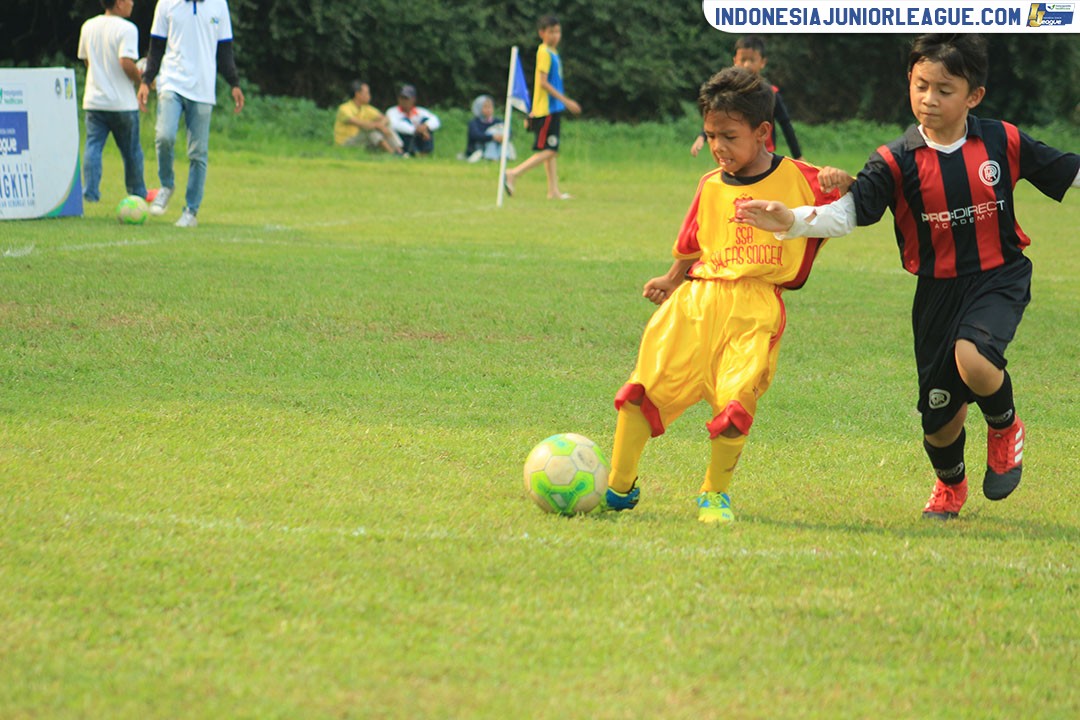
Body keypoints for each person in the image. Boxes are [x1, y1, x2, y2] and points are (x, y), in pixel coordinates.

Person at [735, 34, 1080, 520]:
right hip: (937, 292)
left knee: (975, 361)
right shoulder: (895, 159)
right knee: (940, 420)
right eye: (921, 86)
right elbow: (852, 213)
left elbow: (1067, 170)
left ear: (973, 95)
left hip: (997, 275)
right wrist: (791, 219)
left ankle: (1004, 426)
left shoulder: (1002, 139)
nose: (929, 99)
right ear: (909, 84)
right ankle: (950, 486)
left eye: (944, 89)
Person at [602, 67, 840, 523]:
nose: (718, 146)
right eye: (711, 135)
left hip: (754, 307)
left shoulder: (799, 178)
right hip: (695, 303)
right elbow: (694, 241)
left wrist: (842, 181)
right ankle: (618, 484)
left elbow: (852, 203)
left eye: (729, 136)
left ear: (763, 132)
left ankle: (714, 493)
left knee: (735, 402)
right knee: (640, 390)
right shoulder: (710, 184)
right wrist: (673, 278)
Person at [137, 0, 245, 228]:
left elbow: (224, 50)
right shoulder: (166, 3)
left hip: (203, 89)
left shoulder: (219, 5)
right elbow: (156, 47)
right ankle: (166, 185)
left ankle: (190, 212)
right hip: (172, 82)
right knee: (164, 136)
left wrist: (234, 83)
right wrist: (146, 80)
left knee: (198, 153)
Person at [503, 14, 581, 200]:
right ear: (542, 33)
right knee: (550, 150)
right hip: (547, 109)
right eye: (551, 32)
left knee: (550, 150)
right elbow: (543, 83)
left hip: (552, 109)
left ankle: (553, 191)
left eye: (558, 31)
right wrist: (566, 101)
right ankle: (514, 173)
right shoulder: (544, 52)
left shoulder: (553, 53)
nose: (555, 35)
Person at [77, 0, 147, 204]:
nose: (132, 3)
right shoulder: (127, 29)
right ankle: (137, 193)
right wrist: (142, 80)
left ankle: (90, 193)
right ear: (118, 3)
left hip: (94, 100)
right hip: (122, 103)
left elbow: (86, 59)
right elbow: (126, 62)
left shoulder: (88, 26)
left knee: (93, 146)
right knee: (131, 151)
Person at [690, 36, 802, 162]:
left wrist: (798, 156)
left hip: (763, 155)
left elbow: (785, 124)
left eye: (752, 60)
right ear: (735, 61)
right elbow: (717, 121)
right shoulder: (729, 95)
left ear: (763, 62)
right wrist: (702, 137)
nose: (747, 65)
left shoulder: (771, 94)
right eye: (743, 60)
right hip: (733, 153)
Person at [334, 80, 403, 154]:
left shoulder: (366, 108)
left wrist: (382, 125)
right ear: (357, 94)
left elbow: (385, 118)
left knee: (385, 126)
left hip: (361, 140)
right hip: (346, 142)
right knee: (370, 130)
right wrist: (378, 125)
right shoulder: (344, 109)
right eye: (367, 93)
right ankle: (392, 153)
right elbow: (361, 124)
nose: (369, 96)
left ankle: (400, 152)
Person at [385, 85, 440, 156]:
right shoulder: (392, 111)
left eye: (406, 98)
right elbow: (395, 125)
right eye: (401, 98)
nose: (403, 101)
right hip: (405, 139)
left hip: (419, 136)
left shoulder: (421, 111)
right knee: (405, 122)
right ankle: (413, 151)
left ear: (413, 100)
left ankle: (425, 152)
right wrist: (416, 130)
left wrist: (425, 126)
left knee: (426, 121)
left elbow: (435, 120)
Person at [463, 94, 514, 162]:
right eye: (485, 107)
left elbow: (509, 132)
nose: (488, 110)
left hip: (497, 146)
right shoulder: (474, 123)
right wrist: (492, 137)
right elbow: (476, 135)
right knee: (492, 132)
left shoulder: (497, 121)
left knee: (501, 130)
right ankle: (491, 157)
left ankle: (503, 156)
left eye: (490, 107)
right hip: (478, 148)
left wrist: (502, 137)